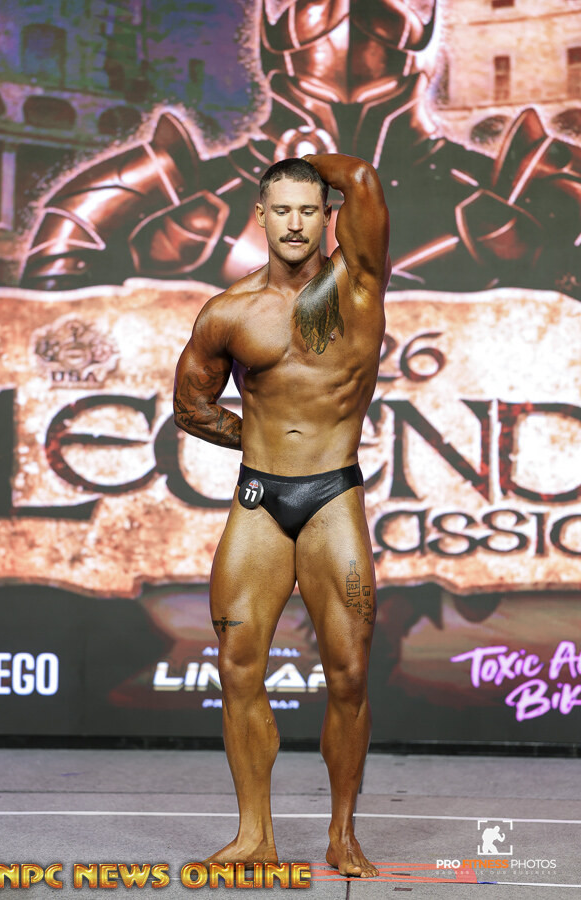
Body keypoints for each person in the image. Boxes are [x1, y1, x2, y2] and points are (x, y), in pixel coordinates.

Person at [173, 152, 390, 878]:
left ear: (326, 217)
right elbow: (192, 406)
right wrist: (262, 439)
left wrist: (295, 162)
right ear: (260, 217)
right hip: (260, 501)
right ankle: (253, 836)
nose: (295, 223)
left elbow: (362, 179)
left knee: (349, 674)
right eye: (281, 209)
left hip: (333, 497)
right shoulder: (229, 312)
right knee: (238, 666)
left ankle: (342, 833)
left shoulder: (357, 285)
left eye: (308, 209)